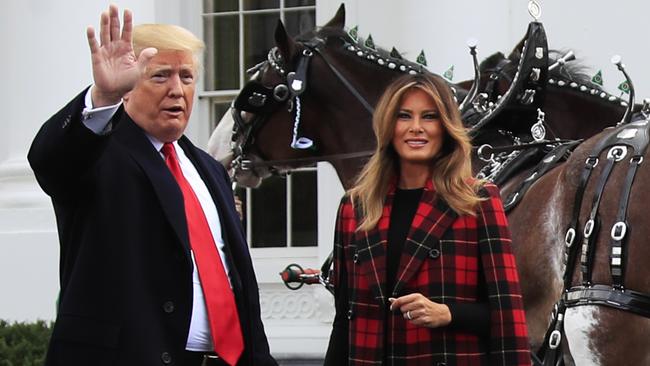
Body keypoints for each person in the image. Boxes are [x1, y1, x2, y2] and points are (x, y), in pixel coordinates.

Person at [28, 5, 276, 366]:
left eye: (187, 77)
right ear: (127, 87)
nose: (177, 90)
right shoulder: (99, 152)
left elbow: (233, 275)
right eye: (160, 76)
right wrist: (102, 98)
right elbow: (50, 161)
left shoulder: (209, 169)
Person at [324, 73, 531, 365]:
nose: (416, 128)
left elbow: (507, 313)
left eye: (429, 117)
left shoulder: (478, 200)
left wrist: (448, 313)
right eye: (404, 116)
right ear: (388, 126)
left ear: (445, 128)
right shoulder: (355, 206)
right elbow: (345, 318)